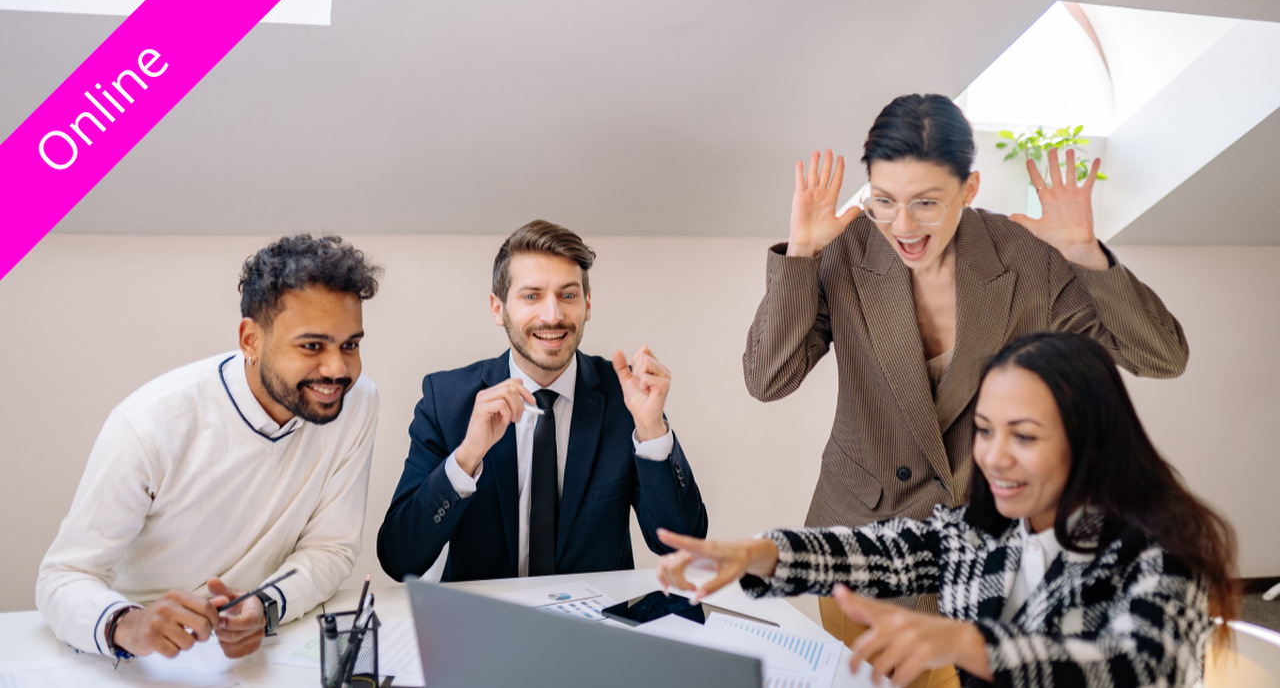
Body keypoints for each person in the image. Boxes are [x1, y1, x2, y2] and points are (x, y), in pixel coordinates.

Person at [742, 94, 1189, 624]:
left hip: (984, 554)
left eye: (926, 202)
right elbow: (768, 379)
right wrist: (800, 255)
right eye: (883, 200)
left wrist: (1086, 253)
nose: (902, 225)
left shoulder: (1025, 258)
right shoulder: (845, 250)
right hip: (861, 547)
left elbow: (1162, 356)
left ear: (968, 189)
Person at [661, 332, 1237, 688]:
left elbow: (1140, 669)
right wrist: (763, 553)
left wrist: (964, 643)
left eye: (1025, 436)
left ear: (1089, 440)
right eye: (984, 431)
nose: (993, 457)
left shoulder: (1159, 551)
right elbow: (880, 552)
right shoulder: (981, 533)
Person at [36, 234, 382, 662]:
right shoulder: (150, 424)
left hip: (258, 655)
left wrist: (265, 604)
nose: (337, 368)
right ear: (250, 340)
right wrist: (130, 625)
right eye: (312, 345)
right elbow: (63, 576)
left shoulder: (356, 401)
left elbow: (331, 547)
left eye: (350, 344)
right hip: (136, 660)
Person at [378, 219, 708, 582]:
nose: (553, 316)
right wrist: (466, 457)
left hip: (594, 628)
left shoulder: (625, 396)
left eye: (568, 295)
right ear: (497, 308)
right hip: (483, 628)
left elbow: (683, 547)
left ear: (587, 304)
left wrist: (651, 431)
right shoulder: (446, 400)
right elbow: (398, 558)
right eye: (531, 296)